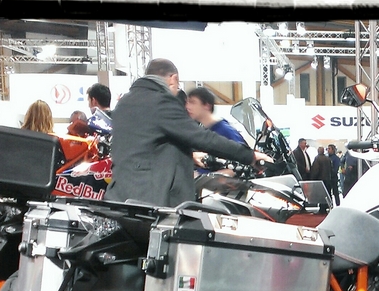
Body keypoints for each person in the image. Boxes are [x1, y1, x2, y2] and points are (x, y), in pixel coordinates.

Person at [106, 58, 272, 207]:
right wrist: (250, 156)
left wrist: (190, 156)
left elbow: (146, 145)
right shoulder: (161, 101)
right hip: (153, 200)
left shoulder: (124, 103)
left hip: (121, 196)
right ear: (173, 79)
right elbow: (201, 138)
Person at [185, 86, 248, 175]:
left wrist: (208, 177)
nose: (188, 106)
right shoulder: (202, 130)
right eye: (187, 102)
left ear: (207, 105)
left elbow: (243, 164)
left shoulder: (225, 130)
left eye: (193, 102)